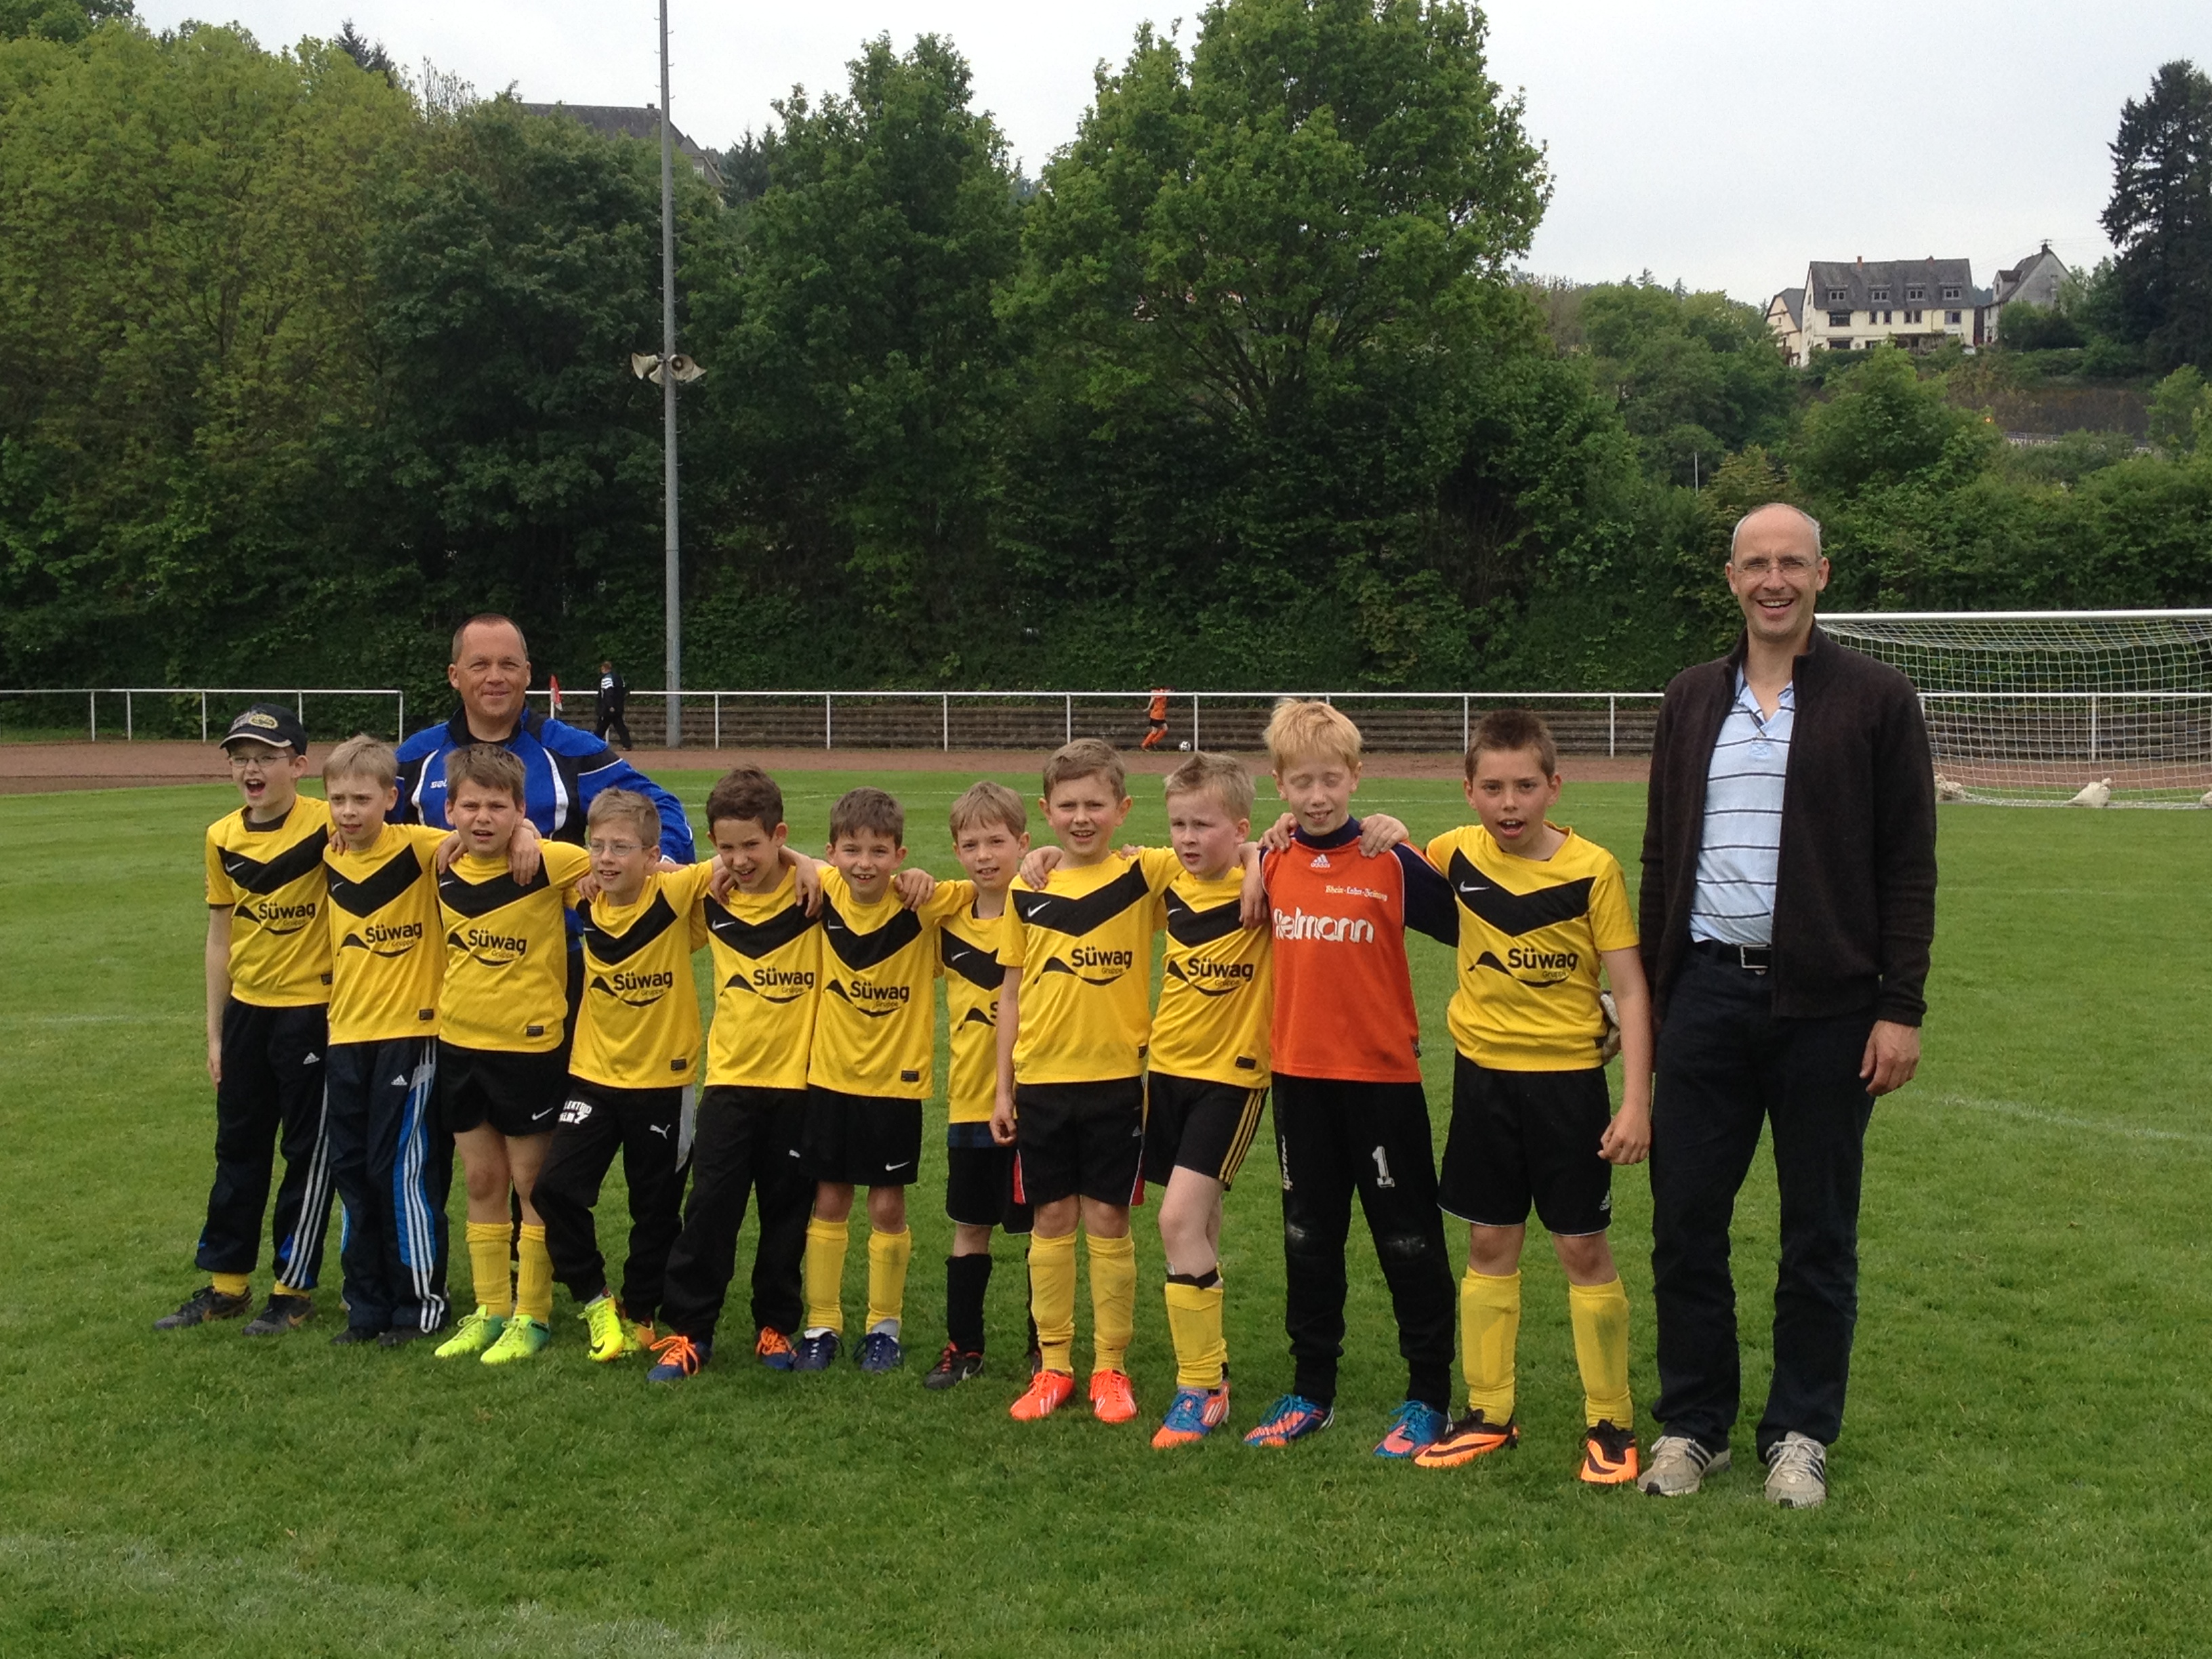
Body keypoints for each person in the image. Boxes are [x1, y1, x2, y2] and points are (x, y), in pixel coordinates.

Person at [1637, 502, 1936, 1509]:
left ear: (1821, 574)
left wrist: (1900, 1008)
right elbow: (1660, 856)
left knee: (1818, 1233)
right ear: (1731, 578)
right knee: (1686, 1223)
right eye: (1757, 564)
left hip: (1829, 1009)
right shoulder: (1691, 697)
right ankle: (1693, 1427)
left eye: (1792, 564)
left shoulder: (1877, 698)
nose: (1775, 580)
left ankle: (1800, 1433)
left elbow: (1909, 865)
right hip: (1705, 997)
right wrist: (1654, 999)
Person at [1408, 710, 1654, 1486]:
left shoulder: (1593, 870)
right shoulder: (1453, 852)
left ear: (1554, 786)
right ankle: (1488, 1413)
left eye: (1524, 786)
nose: (1508, 803)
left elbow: (1630, 989)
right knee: (1489, 1244)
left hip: (1568, 1087)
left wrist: (1636, 1101)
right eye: (1492, 788)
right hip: (1483, 1081)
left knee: (1582, 1248)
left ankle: (1611, 1422)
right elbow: (1377, 858)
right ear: (1468, 792)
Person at [1242, 699, 1460, 1458]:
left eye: (1330, 780)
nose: (1317, 796)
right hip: (1299, 1079)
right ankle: (1311, 1391)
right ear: (1280, 784)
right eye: (1301, 782)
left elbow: (1471, 924)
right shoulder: (1272, 858)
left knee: (1408, 1239)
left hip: (1382, 1081)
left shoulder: (1388, 858)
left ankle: (1429, 1396)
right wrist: (1254, 856)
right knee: (1308, 1238)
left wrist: (1409, 840)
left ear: (1355, 776)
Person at [991, 740, 1185, 1426]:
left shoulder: (1143, 876)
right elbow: (1010, 993)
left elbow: (1227, 848)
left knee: (1107, 1220)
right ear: (1045, 811)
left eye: (1095, 805)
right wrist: (1003, 1089)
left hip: (1116, 1083)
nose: (1081, 818)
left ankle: (1111, 1366)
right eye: (1067, 806)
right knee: (1051, 1222)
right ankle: (1053, 1366)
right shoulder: (1028, 886)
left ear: (1122, 809)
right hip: (1042, 1082)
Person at [157, 703, 337, 1336]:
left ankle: (293, 1290)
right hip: (247, 1015)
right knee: (238, 1147)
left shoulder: (329, 823)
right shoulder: (221, 836)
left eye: (265, 757)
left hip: (313, 1013)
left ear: (299, 765)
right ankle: (227, 1285)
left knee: (307, 1153)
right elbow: (220, 937)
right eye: (241, 759)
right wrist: (216, 1031)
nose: (251, 770)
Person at [647, 767, 824, 1382]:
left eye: (753, 844)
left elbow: (868, 874)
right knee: (710, 1209)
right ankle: (690, 1331)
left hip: (798, 1083)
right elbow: (648, 875)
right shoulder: (712, 894)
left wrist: (805, 862)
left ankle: (775, 1324)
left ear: (779, 835)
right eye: (727, 847)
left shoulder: (815, 895)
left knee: (786, 1214)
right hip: (728, 1080)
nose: (740, 859)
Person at [531, 790, 717, 1362]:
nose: (606, 858)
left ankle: (641, 1312)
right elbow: (528, 844)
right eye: (598, 846)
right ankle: (594, 1296)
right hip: (593, 1076)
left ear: (652, 855)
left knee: (654, 1209)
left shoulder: (675, 894)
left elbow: (735, 864)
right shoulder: (583, 896)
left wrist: (671, 869)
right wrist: (527, 837)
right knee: (553, 1189)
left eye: (622, 848)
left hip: (664, 1080)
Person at [320, 735, 491, 1347]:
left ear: (392, 798)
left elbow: (481, 836)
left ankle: (419, 1303)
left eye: (362, 799)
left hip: (412, 1035)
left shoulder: (422, 848)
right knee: (351, 1171)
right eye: (338, 800)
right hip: (346, 1035)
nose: (348, 812)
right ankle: (365, 1304)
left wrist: (524, 834)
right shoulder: (329, 855)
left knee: (400, 1171)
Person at [791, 788, 964, 1373]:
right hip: (830, 1076)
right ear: (831, 853)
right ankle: (822, 1324)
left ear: (900, 855)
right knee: (830, 1198)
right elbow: (771, 856)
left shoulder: (922, 904)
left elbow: (982, 889)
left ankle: (883, 1327)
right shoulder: (823, 890)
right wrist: (798, 860)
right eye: (852, 850)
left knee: (887, 1206)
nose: (864, 863)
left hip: (895, 1083)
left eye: (879, 852)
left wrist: (923, 879)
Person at [430, 745, 591, 1368]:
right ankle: (491, 1308)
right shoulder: (439, 862)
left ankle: (533, 1313)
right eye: (470, 806)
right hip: (459, 1043)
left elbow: (626, 865)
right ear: (450, 809)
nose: (483, 818)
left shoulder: (549, 863)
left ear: (522, 809)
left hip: (528, 1048)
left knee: (531, 1183)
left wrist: (531, 836)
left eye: (499, 807)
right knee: (481, 1180)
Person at [1140, 753, 1273, 1448]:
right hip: (1166, 1071)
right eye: (1179, 825)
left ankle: (1201, 1387)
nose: (1188, 838)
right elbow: (1092, 860)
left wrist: (1255, 862)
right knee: (1202, 1222)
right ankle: (1214, 1363)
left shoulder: (1268, 880)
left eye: (1204, 825)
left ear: (1240, 827)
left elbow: (1290, 835)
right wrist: (1042, 854)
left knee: (1177, 1221)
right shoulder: (1165, 875)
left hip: (1232, 1077)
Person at [394, 618, 688, 865]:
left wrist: (661, 863)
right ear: (455, 675)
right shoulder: (415, 758)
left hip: (552, 918)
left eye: (508, 664)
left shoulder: (573, 752)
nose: (495, 677)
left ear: (527, 673)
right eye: (480, 665)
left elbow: (659, 807)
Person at [923, 781, 1037, 1389]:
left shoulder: (1043, 909)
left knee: (1045, 1231)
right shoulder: (945, 919)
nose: (985, 855)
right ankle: (963, 1347)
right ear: (956, 851)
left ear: (1024, 843)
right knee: (970, 1226)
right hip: (970, 1100)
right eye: (971, 845)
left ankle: (1047, 1349)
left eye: (997, 841)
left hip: (1038, 1100)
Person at [595, 660, 632, 750]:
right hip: (619, 706)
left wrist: (610, 706)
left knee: (601, 727)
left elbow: (608, 693)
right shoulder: (619, 678)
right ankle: (627, 745)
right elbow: (624, 691)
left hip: (608, 708)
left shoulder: (607, 679)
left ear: (604, 669)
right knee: (620, 726)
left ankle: (594, 744)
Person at [1141, 687, 1170, 752]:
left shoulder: (1164, 695)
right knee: (1154, 731)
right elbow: (1153, 696)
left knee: (1165, 729)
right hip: (1156, 715)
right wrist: (1148, 707)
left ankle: (1153, 742)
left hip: (1161, 715)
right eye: (1169, 691)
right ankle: (1144, 745)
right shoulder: (1161, 694)